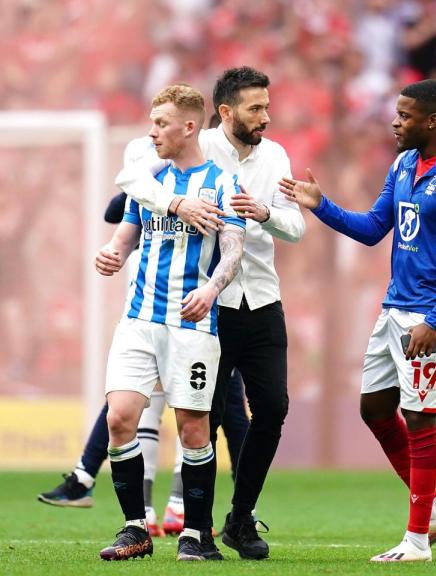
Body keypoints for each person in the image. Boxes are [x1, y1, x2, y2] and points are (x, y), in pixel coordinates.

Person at [279, 79, 436, 563]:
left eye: (405, 115)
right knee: (374, 408)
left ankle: (418, 540)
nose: (395, 122)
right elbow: (375, 228)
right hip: (395, 308)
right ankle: (434, 511)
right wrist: (321, 205)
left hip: (434, 318)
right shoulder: (404, 164)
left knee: (419, 417)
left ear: (432, 121)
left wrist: (435, 321)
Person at [115, 66, 306, 560]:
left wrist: (264, 214)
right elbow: (131, 178)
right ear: (224, 113)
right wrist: (176, 203)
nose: (266, 116)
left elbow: (296, 226)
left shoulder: (276, 155)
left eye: (267, 106)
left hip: (261, 297)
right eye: (256, 108)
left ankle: (240, 518)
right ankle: (196, 531)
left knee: (273, 408)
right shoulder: (189, 144)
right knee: (206, 416)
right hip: (208, 307)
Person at [38, 191, 251, 539]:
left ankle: (226, 510)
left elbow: (240, 242)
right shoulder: (151, 175)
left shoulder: (221, 180)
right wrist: (168, 198)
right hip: (149, 310)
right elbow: (114, 212)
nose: (154, 134)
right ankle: (146, 513)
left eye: (160, 130)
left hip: (211, 310)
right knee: (127, 409)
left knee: (214, 414)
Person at [96, 83, 245, 561]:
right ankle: (135, 528)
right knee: (121, 417)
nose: (152, 131)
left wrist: (212, 288)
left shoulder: (223, 183)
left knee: (193, 430)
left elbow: (233, 253)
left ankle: (196, 534)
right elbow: (126, 235)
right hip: (139, 318)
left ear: (189, 126)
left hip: (192, 325)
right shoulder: (151, 183)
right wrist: (112, 253)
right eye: (151, 121)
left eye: (161, 123)